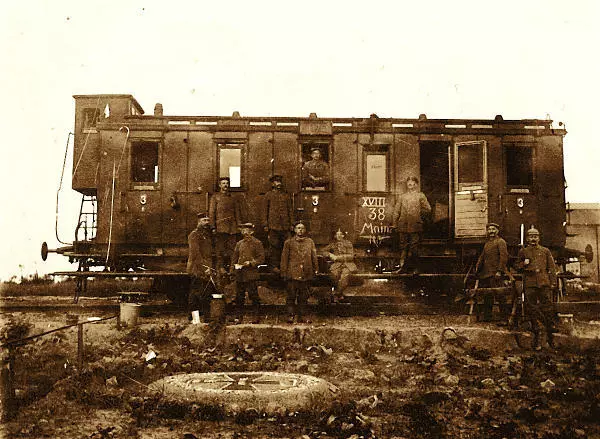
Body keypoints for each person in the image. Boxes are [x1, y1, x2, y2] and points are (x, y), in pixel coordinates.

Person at [517, 228, 559, 350]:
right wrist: (523, 264)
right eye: (531, 237)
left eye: (535, 236)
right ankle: (538, 331)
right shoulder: (523, 251)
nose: (533, 239)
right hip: (530, 283)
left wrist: (553, 282)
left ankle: (550, 336)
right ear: (527, 239)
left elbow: (551, 268)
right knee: (531, 307)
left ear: (539, 238)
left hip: (543, 282)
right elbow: (516, 266)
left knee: (547, 306)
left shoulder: (545, 251)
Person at [280, 222, 319, 323]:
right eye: (298, 228)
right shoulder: (288, 242)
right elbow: (284, 258)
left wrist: (316, 269)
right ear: (294, 230)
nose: (300, 230)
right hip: (292, 273)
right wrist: (284, 273)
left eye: (302, 228)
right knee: (291, 296)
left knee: (303, 297)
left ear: (305, 230)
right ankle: (290, 315)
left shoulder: (310, 242)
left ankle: (303, 316)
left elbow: (313, 256)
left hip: (306, 273)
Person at [393, 176, 431, 273]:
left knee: (414, 248)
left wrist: (417, 214)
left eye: (413, 184)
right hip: (403, 225)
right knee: (403, 247)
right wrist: (395, 223)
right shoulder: (402, 197)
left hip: (415, 226)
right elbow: (396, 211)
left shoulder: (420, 196)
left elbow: (428, 209)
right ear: (407, 185)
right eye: (409, 184)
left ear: (416, 185)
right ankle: (402, 268)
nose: (411, 186)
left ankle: (415, 269)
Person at [230, 223, 265, 323]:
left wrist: (251, 263)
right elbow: (234, 258)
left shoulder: (257, 243)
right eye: (243, 231)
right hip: (240, 274)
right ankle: (238, 317)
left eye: (248, 231)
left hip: (251, 274)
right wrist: (232, 270)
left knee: (253, 295)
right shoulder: (239, 244)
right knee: (239, 296)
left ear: (252, 232)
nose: (245, 233)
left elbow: (261, 258)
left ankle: (256, 316)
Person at [209, 177, 244, 274]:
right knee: (220, 249)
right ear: (220, 185)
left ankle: (232, 269)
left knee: (232, 249)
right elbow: (212, 213)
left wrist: (239, 226)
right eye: (223, 183)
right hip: (220, 227)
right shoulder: (215, 197)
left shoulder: (233, 198)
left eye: (227, 183)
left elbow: (237, 213)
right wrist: (212, 227)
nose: (225, 185)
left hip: (232, 228)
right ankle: (221, 268)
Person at [186, 212, 217, 322]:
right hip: (197, 268)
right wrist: (205, 268)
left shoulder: (206, 235)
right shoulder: (194, 235)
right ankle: (194, 319)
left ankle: (205, 319)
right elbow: (196, 254)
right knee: (195, 294)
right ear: (198, 222)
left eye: (208, 220)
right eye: (204, 220)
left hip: (205, 267)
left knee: (205, 293)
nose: (206, 223)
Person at [475, 222, 509, 321]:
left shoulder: (501, 242)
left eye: (493, 229)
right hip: (486, 274)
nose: (491, 232)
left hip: (495, 274)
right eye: (489, 230)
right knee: (487, 296)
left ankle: (504, 318)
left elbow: (504, 257)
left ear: (497, 231)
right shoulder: (487, 243)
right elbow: (482, 257)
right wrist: (477, 269)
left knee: (500, 296)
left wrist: (499, 271)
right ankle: (487, 317)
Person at [261, 175, 293, 269]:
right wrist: (265, 224)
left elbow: (290, 210)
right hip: (273, 226)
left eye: (279, 182)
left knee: (287, 246)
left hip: (285, 226)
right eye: (276, 182)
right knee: (274, 247)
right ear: (272, 184)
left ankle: (285, 266)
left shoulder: (286, 195)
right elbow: (264, 211)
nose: (278, 184)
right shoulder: (268, 195)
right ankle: (274, 267)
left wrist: (291, 224)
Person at [323, 229, 357, 303]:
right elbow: (323, 251)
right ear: (335, 236)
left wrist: (338, 257)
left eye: (340, 234)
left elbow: (351, 256)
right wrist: (329, 254)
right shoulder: (332, 244)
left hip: (347, 265)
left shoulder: (348, 243)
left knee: (344, 277)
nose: (338, 236)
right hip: (336, 265)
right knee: (334, 276)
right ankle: (340, 295)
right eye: (337, 234)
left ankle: (335, 294)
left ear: (343, 235)